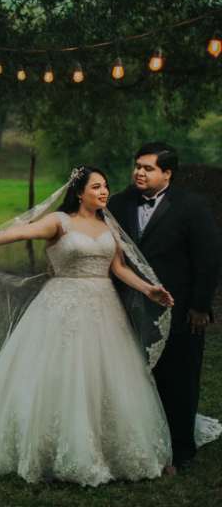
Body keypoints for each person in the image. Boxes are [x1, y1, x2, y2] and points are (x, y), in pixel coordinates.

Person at [0, 166, 220, 486]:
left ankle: (106, 446)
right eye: (96, 187)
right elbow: (22, 230)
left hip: (103, 307)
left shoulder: (109, 226)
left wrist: (149, 289)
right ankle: (46, 445)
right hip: (60, 306)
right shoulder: (60, 221)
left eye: (105, 186)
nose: (104, 192)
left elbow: (119, 268)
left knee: (103, 375)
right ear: (79, 192)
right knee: (58, 373)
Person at [107, 142, 222, 468]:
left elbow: (208, 259)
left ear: (167, 173)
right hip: (126, 306)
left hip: (181, 308)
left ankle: (181, 449)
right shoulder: (117, 203)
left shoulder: (191, 206)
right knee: (134, 375)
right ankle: (138, 442)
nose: (139, 172)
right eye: (137, 166)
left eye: (148, 168)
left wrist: (200, 306)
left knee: (180, 377)